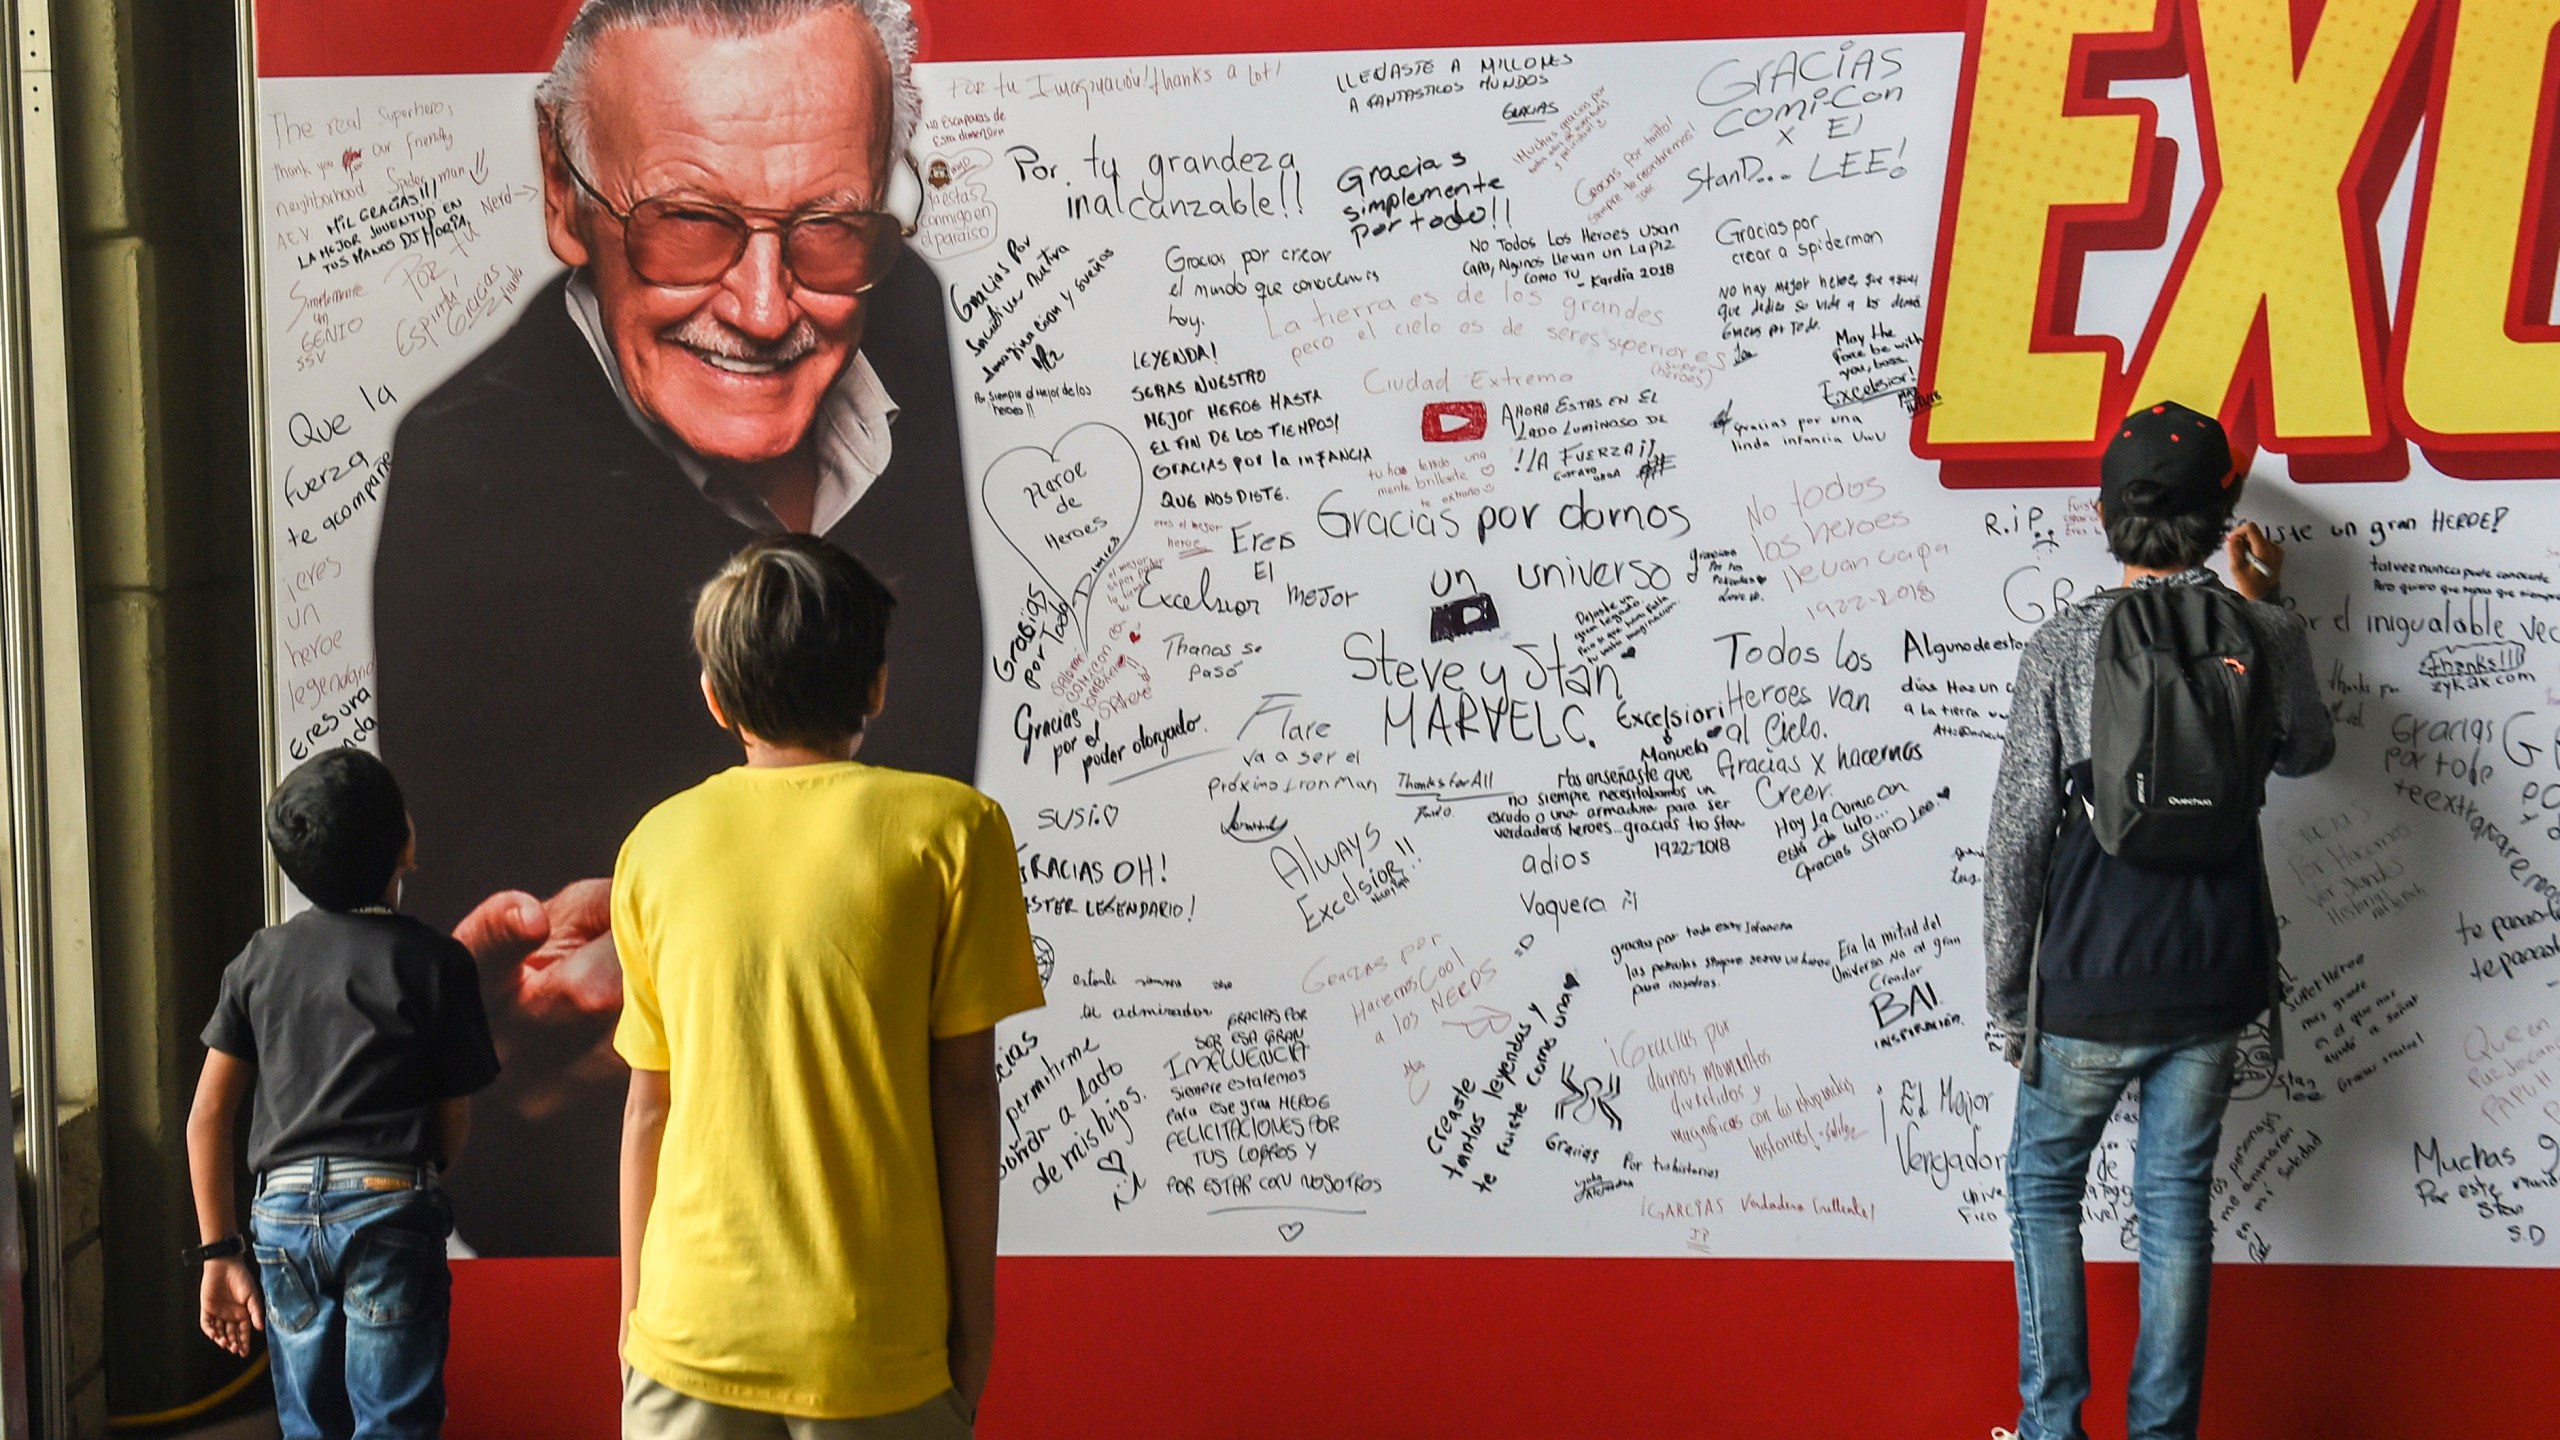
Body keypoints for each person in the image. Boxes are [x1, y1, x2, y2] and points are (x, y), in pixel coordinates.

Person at [372, 0, 984, 1255]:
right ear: (564, 185)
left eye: (829, 225)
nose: (766, 309)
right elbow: (512, 1081)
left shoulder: (899, 313)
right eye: (688, 226)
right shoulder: (466, 477)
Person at [614, 536, 1043, 1437]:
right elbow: (965, 1094)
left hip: (686, 1329)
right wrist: (976, 1323)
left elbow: (648, 1109)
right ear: (878, 686)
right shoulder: (956, 831)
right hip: (874, 1336)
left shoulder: (654, 844)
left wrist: (632, 1325)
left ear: (716, 697)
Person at [1983, 402, 2334, 1440]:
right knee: (2175, 1204)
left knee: (2043, 1191)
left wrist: (2011, 998)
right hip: (2216, 974)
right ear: (2223, 510)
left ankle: (2052, 1430)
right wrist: (2268, 603)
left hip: (2089, 979)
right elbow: (2307, 752)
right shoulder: (2260, 629)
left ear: (2103, 514)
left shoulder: (2062, 641)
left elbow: (2015, 835)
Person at [185, 749, 501, 1440]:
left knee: (309, 1425)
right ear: (407, 846)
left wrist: (219, 1253)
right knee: (393, 1421)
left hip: (282, 1214)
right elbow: (452, 1114)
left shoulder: (257, 961)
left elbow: (208, 1116)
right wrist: (425, 1182)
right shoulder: (438, 962)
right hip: (392, 1200)